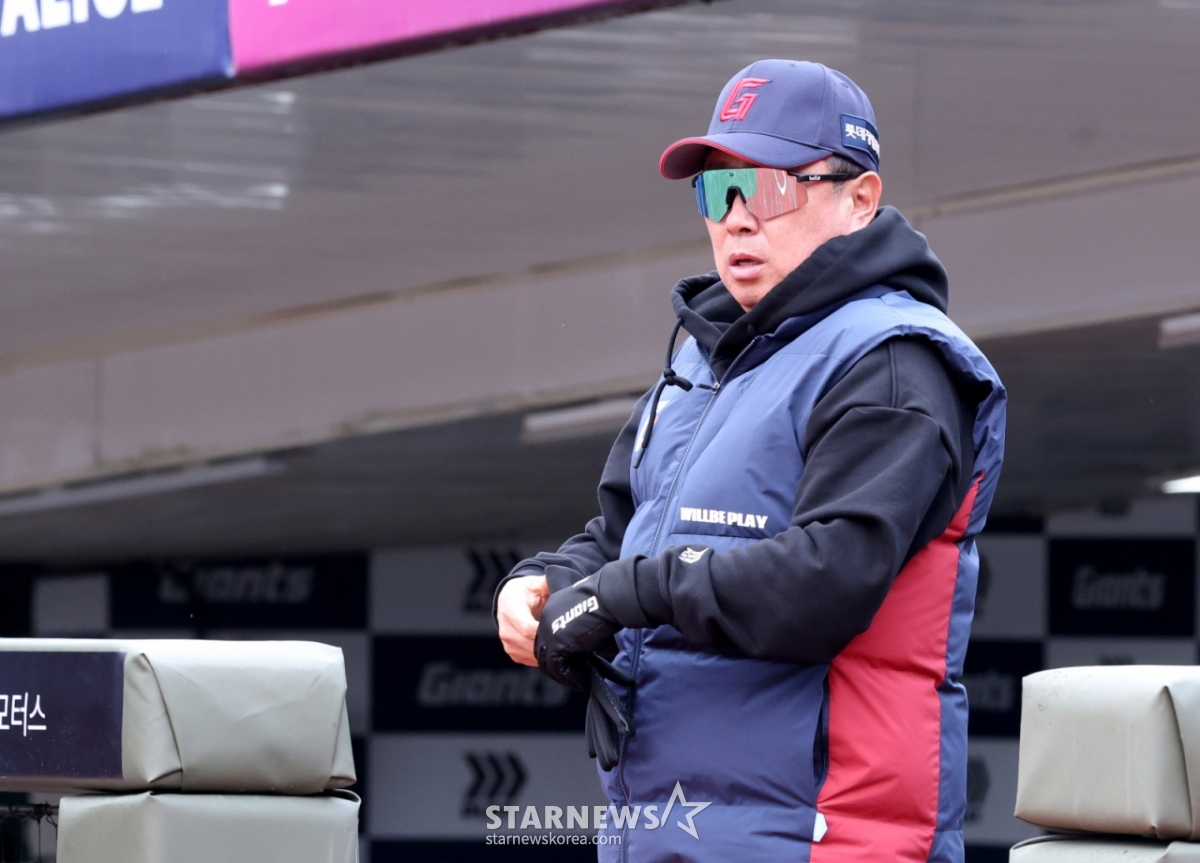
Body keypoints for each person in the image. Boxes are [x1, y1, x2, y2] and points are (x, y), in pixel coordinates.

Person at [494, 58, 1006, 863]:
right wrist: (543, 582)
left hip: (822, 840)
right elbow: (621, 536)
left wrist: (629, 592)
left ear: (859, 199)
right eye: (715, 192)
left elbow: (822, 585)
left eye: (767, 188)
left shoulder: (893, 363)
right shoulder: (702, 363)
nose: (736, 218)